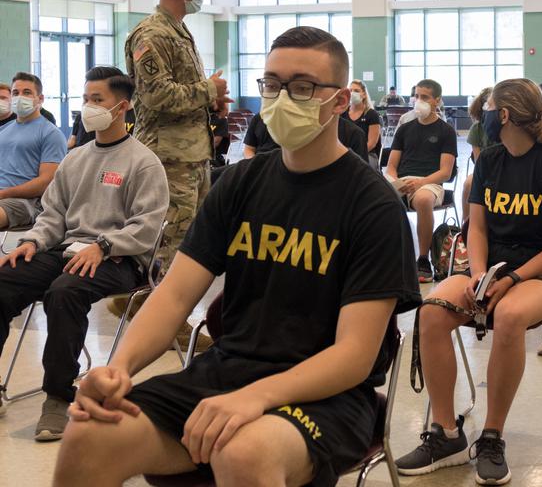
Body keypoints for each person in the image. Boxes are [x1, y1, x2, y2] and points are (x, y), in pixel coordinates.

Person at [52, 26, 421, 487]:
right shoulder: (240, 183)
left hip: (330, 396)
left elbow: (354, 356)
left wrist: (257, 398)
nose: (283, 97)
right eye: (272, 84)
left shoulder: (372, 205)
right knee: (89, 435)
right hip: (226, 373)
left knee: (243, 450)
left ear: (340, 101)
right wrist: (117, 370)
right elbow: (173, 296)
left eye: (303, 87)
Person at [396, 78, 542, 484]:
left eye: (488, 108)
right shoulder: (490, 161)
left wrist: (511, 279)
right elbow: (476, 228)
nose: (479, 116)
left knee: (511, 313)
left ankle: (493, 436)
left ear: (504, 116)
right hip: (492, 268)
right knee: (431, 312)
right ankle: (446, 434)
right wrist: (478, 274)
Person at [0, 66, 168, 440]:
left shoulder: (143, 161)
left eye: (98, 100)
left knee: (65, 291)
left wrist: (104, 246)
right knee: (4, 280)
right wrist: (31, 243)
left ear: (121, 107)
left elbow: (148, 226)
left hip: (121, 260)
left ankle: (58, 398)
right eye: (86, 98)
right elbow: (52, 215)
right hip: (67, 249)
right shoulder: (75, 159)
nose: (87, 107)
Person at [118, 0, 231, 343]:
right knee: (172, 239)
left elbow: (181, 93)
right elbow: (156, 97)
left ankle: (142, 302)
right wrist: (208, 88)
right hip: (167, 155)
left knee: (193, 238)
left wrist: (211, 99)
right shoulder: (151, 33)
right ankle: (167, 325)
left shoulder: (179, 31)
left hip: (192, 153)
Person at [386, 79, 458, 283]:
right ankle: (388, 258)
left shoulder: (446, 131)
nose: (418, 101)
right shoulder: (404, 129)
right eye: (416, 96)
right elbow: (391, 165)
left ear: (437, 101)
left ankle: (423, 259)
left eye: (424, 97)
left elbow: (445, 172)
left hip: (430, 183)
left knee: (424, 199)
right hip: (403, 181)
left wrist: (420, 183)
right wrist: (394, 181)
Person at [0, 73, 68, 230]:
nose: (20, 97)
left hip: (26, 202)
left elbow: (46, 182)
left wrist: (3, 194)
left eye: (27, 92)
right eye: (16, 93)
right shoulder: (3, 130)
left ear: (40, 99)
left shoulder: (51, 133)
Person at [243, 109, 369, 162]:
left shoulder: (353, 134)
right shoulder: (259, 119)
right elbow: (249, 148)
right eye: (272, 86)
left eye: (303, 88)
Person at [463, 87, 494, 213]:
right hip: (485, 171)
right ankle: (465, 225)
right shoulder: (477, 129)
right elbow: (479, 162)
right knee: (468, 184)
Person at [341, 79, 381, 168]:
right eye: (350, 90)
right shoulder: (343, 113)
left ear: (364, 94)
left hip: (367, 154)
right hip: (344, 153)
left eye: (356, 91)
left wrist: (355, 156)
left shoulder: (371, 114)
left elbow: (372, 143)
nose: (352, 93)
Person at [68, 106, 136, 149]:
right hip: (84, 150)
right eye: (86, 99)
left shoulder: (108, 116)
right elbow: (72, 141)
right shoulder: (80, 117)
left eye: (98, 100)